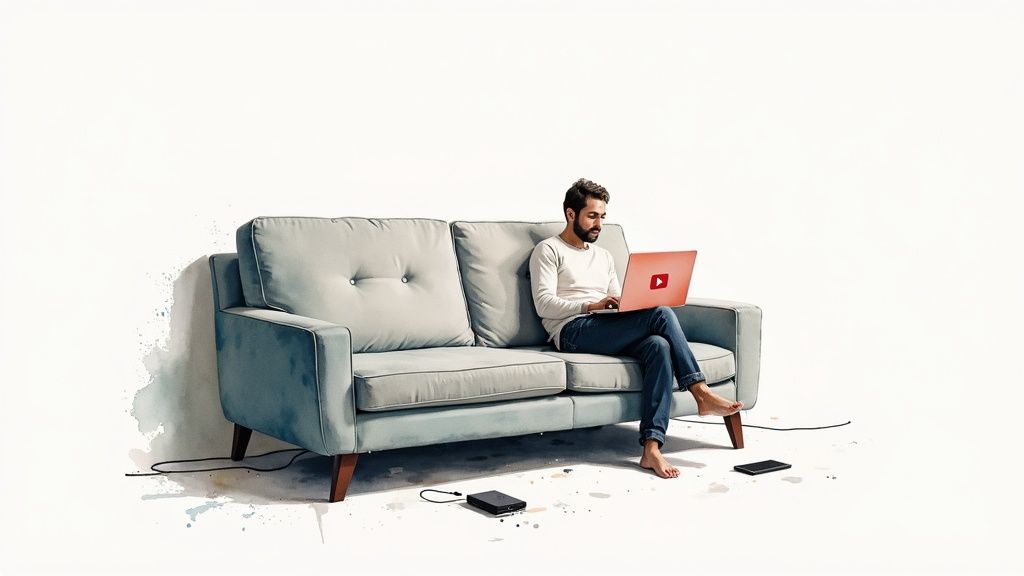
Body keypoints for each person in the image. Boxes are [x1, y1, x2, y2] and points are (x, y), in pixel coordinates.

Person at [529, 178, 743, 478]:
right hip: (572, 330)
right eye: (592, 215)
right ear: (570, 214)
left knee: (659, 345)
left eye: (602, 217)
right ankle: (700, 391)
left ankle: (651, 448)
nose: (598, 224)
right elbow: (545, 304)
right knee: (661, 314)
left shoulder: (602, 256)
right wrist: (590, 306)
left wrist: (626, 303)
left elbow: (619, 298)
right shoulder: (549, 250)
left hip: (606, 326)